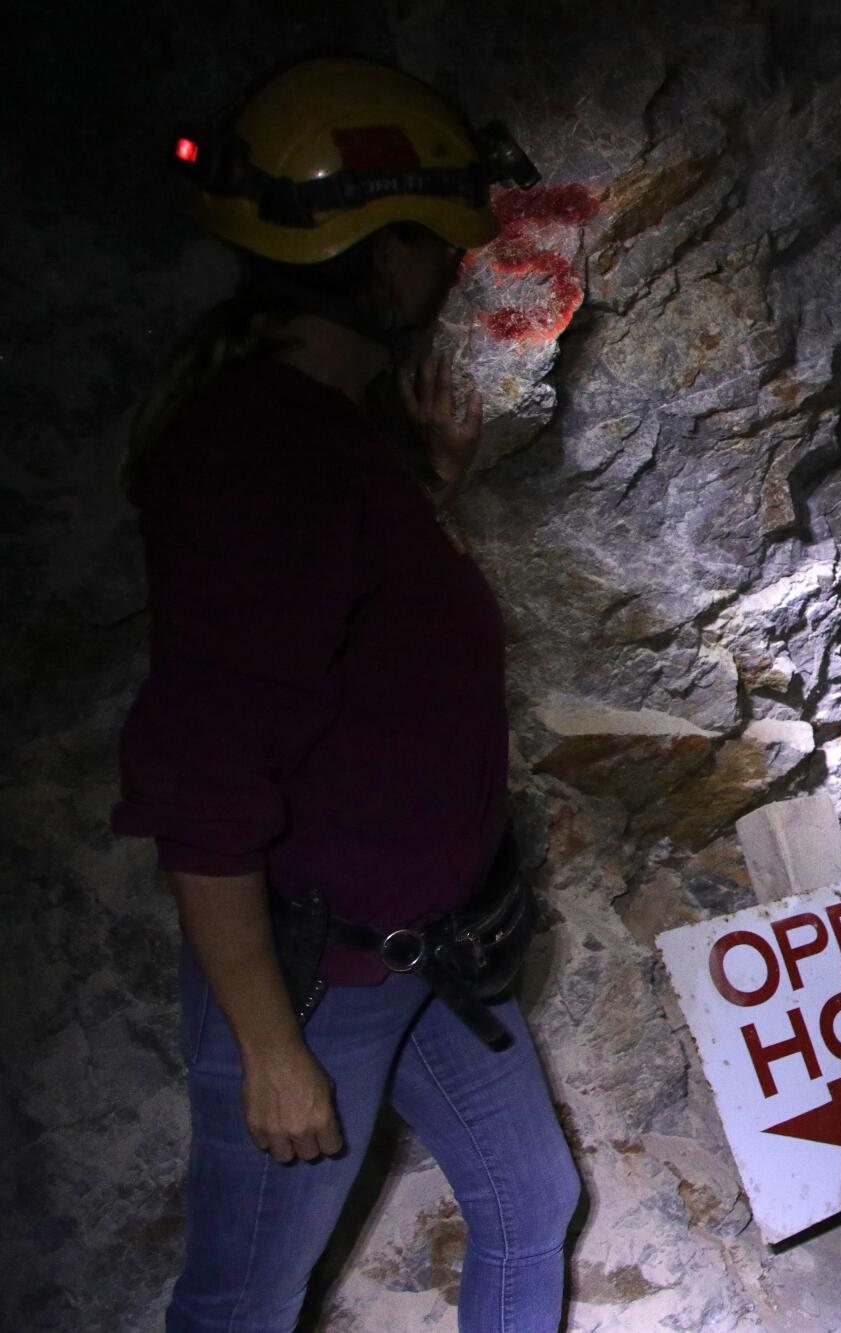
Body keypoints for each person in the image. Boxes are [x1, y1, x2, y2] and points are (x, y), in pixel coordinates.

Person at [112, 55, 579, 1332]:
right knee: (242, 1298)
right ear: (379, 261)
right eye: (431, 241)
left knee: (530, 1202)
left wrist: (428, 485)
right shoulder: (258, 458)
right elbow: (203, 787)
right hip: (325, 980)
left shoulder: (329, 435)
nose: (446, 269)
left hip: (427, 949)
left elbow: (361, 639)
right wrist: (270, 1049)